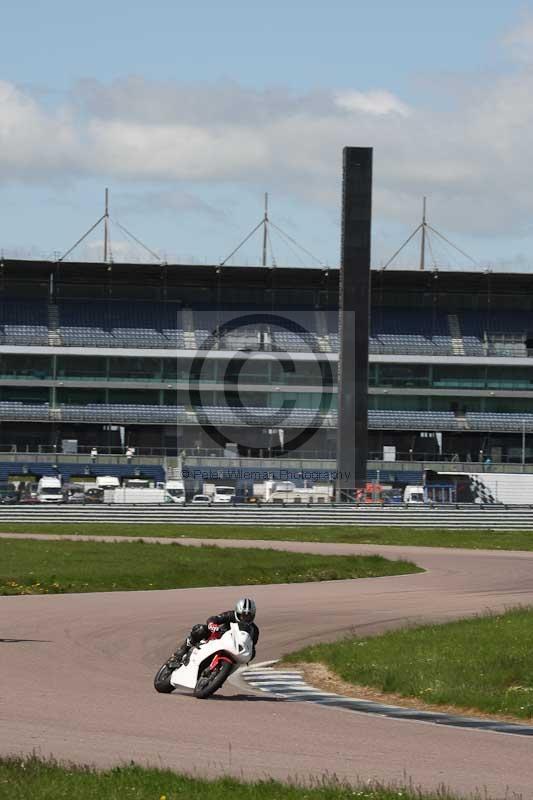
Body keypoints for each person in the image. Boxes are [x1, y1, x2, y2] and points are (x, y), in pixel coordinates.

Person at [167, 597, 259, 668]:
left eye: (248, 616)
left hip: (233, 651)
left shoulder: (254, 630)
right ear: (237, 613)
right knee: (200, 629)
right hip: (217, 638)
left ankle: (217, 675)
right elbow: (214, 619)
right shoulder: (230, 615)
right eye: (243, 615)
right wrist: (212, 625)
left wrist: (249, 655)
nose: (245, 618)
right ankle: (179, 654)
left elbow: (251, 647)